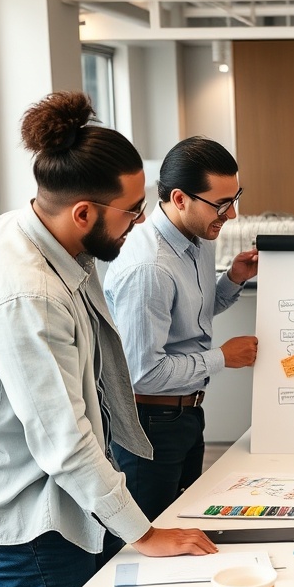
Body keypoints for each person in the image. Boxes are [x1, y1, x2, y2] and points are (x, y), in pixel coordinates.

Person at [0, 92, 217, 587]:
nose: (141, 223)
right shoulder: (27, 294)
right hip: (23, 517)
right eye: (133, 212)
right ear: (84, 213)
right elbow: (62, 438)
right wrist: (144, 531)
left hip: (59, 494)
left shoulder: (48, 239)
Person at [104, 137, 259, 521]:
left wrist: (233, 279)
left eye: (235, 198)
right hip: (150, 423)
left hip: (186, 414)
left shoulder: (198, 238)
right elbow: (145, 373)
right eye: (222, 204)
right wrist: (223, 357)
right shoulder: (149, 268)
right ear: (179, 199)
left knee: (182, 523)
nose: (233, 215)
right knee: (149, 537)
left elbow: (197, 314)